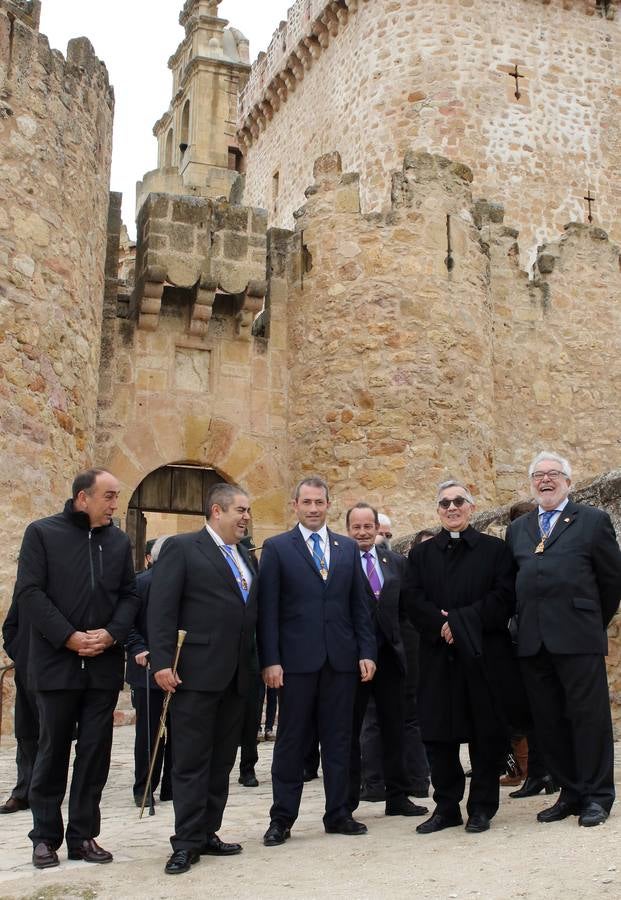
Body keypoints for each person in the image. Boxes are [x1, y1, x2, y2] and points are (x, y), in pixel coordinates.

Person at [14, 468, 139, 869]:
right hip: (56, 663)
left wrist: (111, 634)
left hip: (102, 667)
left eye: (117, 497)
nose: (115, 505)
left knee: (95, 754)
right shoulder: (42, 534)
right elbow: (30, 593)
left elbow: (129, 595)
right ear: (83, 498)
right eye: (109, 496)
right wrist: (68, 636)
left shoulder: (119, 542)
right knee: (50, 752)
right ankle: (44, 837)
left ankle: (83, 836)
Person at [258, 476, 376, 846]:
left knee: (340, 740)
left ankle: (339, 812)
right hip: (295, 664)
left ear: (328, 505)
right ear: (295, 505)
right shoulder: (277, 548)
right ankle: (282, 819)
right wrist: (271, 660)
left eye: (319, 502)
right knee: (291, 742)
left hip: (341, 662)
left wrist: (366, 651)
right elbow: (268, 612)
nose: (313, 509)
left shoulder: (346, 548)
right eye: (306, 502)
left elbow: (360, 607)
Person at [506, 451, 621, 827]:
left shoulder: (592, 521)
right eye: (538, 475)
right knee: (550, 722)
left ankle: (597, 795)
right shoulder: (519, 529)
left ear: (568, 482)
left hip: (577, 637)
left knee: (588, 719)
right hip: (534, 642)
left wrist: (588, 623)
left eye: (553, 474)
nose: (545, 480)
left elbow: (610, 582)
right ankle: (570, 792)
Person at [149, 483, 257, 875]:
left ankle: (209, 830)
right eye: (239, 510)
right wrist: (162, 661)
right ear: (216, 511)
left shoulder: (245, 556)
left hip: (236, 677)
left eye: (247, 511)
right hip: (194, 675)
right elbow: (161, 608)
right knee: (191, 762)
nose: (246, 517)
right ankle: (185, 842)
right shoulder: (183, 548)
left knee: (221, 762)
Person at [407, 479, 515, 835]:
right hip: (438, 658)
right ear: (437, 510)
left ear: (471, 507)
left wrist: (460, 622)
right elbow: (411, 599)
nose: (451, 508)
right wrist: (442, 627)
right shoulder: (421, 554)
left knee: (486, 734)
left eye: (458, 501)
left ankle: (482, 807)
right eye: (444, 503)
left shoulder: (495, 551)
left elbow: (503, 598)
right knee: (439, 736)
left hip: (484, 657)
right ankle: (447, 807)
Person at [345, 502, 427, 818]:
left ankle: (397, 796)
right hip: (354, 661)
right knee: (353, 731)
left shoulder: (395, 562)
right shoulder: (340, 562)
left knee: (395, 727)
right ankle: (349, 800)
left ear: (378, 528)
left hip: (392, 658)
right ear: (348, 530)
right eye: (357, 527)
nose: (363, 533)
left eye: (369, 526)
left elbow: (405, 610)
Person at [125, 535, 172, 808]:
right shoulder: (140, 584)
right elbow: (125, 622)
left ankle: (171, 786)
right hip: (146, 669)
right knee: (149, 731)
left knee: (177, 731)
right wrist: (138, 648)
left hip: (178, 670)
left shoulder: (186, 585)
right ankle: (145, 786)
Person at [1, 587, 39, 814]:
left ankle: (44, 790)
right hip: (28, 668)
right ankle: (23, 792)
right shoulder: (25, 588)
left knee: (52, 735)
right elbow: (10, 626)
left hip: (57, 670)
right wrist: (20, 653)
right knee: (26, 733)